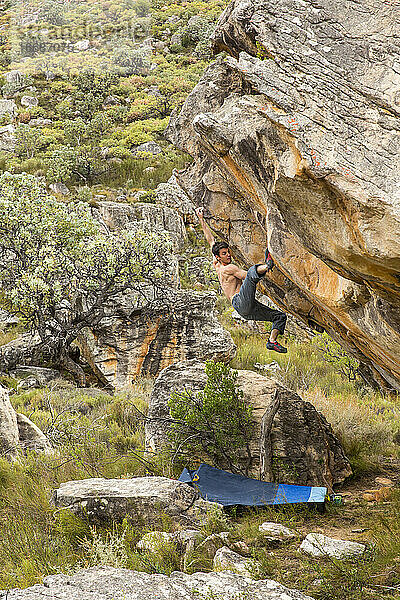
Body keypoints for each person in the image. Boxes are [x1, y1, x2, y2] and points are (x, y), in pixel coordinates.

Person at [196, 207, 287, 353]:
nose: (228, 255)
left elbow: (210, 240)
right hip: (239, 301)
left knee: (279, 316)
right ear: (219, 257)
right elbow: (248, 276)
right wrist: (263, 270)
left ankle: (272, 341)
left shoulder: (217, 264)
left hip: (245, 310)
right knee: (252, 273)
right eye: (224, 254)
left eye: (228, 252)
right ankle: (268, 264)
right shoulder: (228, 268)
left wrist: (201, 219)